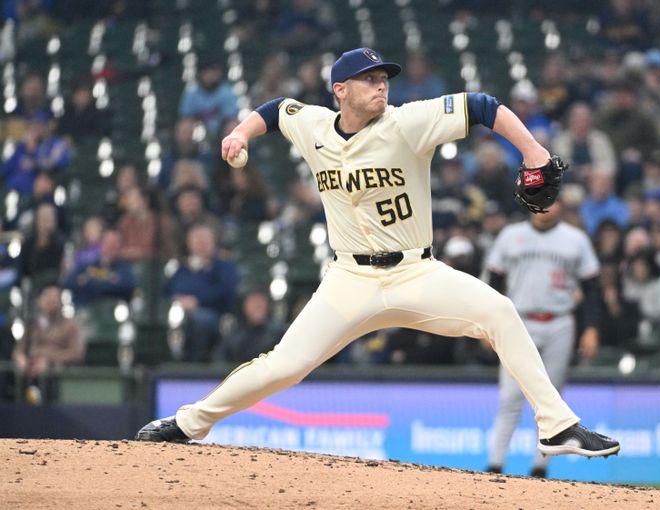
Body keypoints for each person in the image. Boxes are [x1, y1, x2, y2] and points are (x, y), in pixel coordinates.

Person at [136, 47, 620, 460]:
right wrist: (241, 133)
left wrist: (533, 152)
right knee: (282, 365)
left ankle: (556, 426)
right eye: (368, 79)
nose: (381, 85)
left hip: (416, 272)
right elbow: (276, 109)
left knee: (498, 311)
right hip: (349, 281)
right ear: (340, 90)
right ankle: (189, 424)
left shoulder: (408, 123)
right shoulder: (316, 126)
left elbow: (483, 106)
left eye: (383, 78)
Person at [484, 200, 602, 477]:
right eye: (540, 200)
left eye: (551, 200)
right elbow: (492, 282)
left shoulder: (576, 240)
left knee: (550, 399)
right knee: (510, 398)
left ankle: (540, 467)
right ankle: (494, 465)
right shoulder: (510, 235)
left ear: (561, 205)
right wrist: (487, 323)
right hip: (517, 322)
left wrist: (592, 328)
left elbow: (592, 288)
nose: (545, 206)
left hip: (559, 322)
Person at [165, 224, 239, 362]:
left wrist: (196, 301)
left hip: (214, 313)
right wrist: (178, 300)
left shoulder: (224, 265)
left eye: (205, 241)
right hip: (179, 313)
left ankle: (195, 365)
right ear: (189, 245)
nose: (201, 245)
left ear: (213, 243)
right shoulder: (182, 268)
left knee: (201, 321)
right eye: (197, 242)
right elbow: (169, 289)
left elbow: (225, 290)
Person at [12, 283, 85, 403]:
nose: (51, 300)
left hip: (59, 379)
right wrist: (22, 360)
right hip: (30, 376)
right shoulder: (32, 324)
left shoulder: (70, 326)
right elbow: (19, 350)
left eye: (55, 297)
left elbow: (77, 353)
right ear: (39, 300)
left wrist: (49, 361)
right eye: (47, 296)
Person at [64, 230, 136, 306]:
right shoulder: (87, 265)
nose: (112, 247)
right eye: (109, 243)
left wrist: (89, 282)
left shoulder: (125, 269)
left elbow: (127, 286)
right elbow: (69, 282)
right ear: (101, 244)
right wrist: (108, 282)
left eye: (115, 244)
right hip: (85, 308)